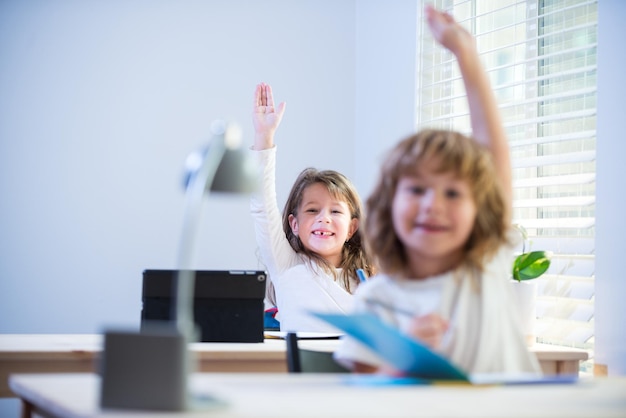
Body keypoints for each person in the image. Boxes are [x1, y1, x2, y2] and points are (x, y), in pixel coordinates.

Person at [334, 5, 541, 375]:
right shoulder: (375, 301)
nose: (433, 205)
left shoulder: (483, 269)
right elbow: (362, 399)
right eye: (417, 189)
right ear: (387, 204)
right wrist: (406, 360)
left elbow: (495, 156)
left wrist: (466, 55)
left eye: (453, 193)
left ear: (481, 207)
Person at [250, 82, 375, 332]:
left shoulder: (368, 282)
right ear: (294, 224)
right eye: (312, 210)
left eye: (335, 211)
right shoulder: (286, 266)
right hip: (301, 370)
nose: (324, 219)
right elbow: (262, 208)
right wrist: (265, 137)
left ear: (352, 228)